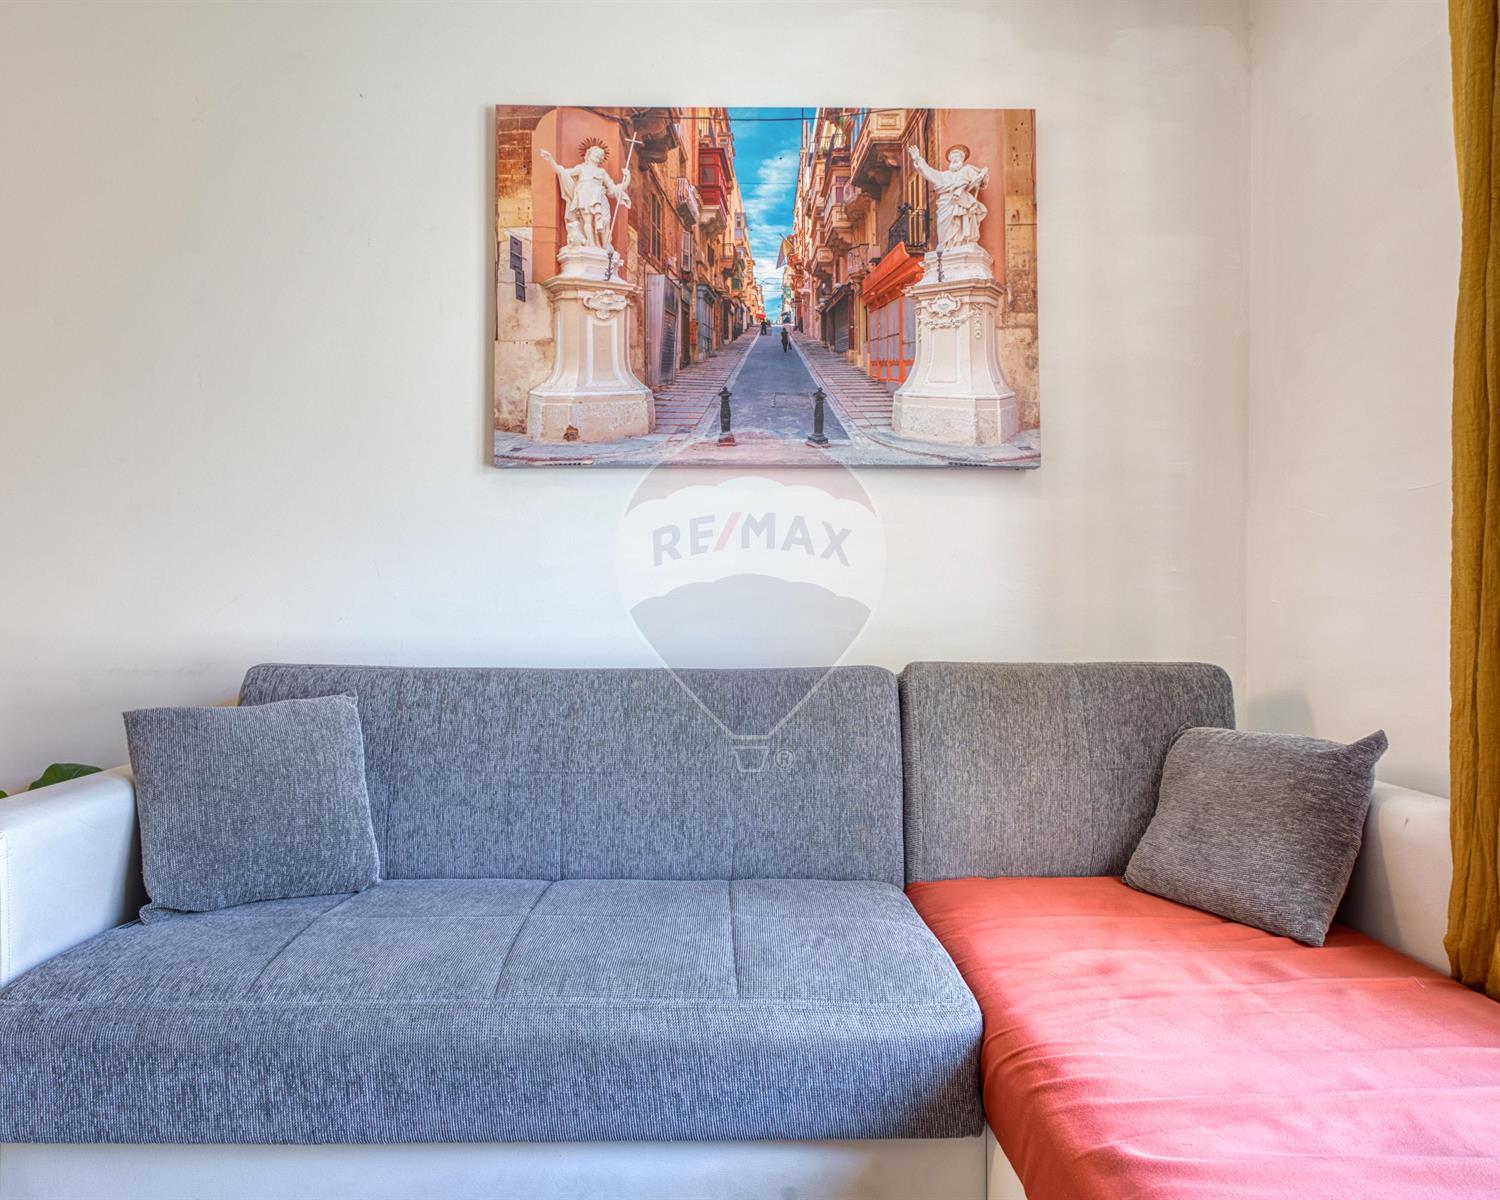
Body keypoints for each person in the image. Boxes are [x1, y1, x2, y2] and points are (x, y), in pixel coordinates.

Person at [906, 144, 989, 249]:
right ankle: (946, 246)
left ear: (962, 159)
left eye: (957, 156)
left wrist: (982, 175)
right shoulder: (945, 175)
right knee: (943, 228)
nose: (954, 159)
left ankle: (960, 244)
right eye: (952, 157)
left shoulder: (967, 170)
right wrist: (918, 159)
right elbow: (930, 173)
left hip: (960, 201)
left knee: (960, 222)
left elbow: (979, 181)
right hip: (945, 205)